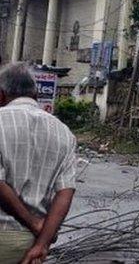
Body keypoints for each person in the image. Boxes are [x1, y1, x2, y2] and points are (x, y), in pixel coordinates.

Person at [0, 62, 76, 264]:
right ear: (35, 95)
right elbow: (65, 194)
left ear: (1, 94)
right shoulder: (63, 132)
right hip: (30, 246)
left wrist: (33, 222)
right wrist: (42, 244)